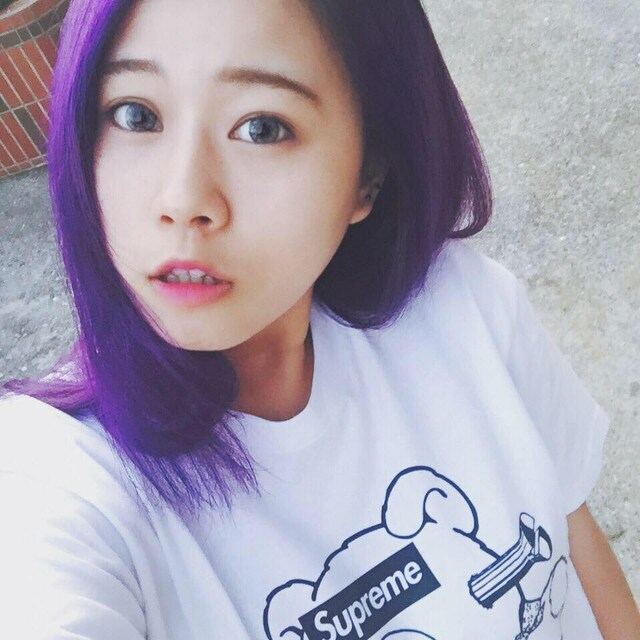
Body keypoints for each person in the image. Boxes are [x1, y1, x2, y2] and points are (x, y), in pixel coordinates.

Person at [0, 0, 638, 638]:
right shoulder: (58, 482)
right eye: (135, 115)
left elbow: (577, 549)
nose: (184, 198)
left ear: (368, 175)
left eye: (261, 128)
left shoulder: (464, 308)